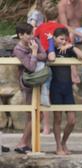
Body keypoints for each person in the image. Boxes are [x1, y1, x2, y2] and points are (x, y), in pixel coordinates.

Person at [47, 27, 82, 155]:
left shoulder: (68, 51)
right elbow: (51, 58)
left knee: (72, 120)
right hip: (56, 88)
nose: (63, 41)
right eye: (61, 39)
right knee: (57, 118)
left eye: (65, 39)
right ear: (55, 39)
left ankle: (64, 142)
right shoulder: (51, 50)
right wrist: (51, 43)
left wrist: (71, 46)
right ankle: (58, 146)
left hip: (67, 89)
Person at [13, 22, 48, 154]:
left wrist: (33, 55)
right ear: (21, 35)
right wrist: (33, 52)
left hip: (38, 81)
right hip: (27, 84)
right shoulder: (18, 49)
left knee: (37, 114)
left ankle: (25, 143)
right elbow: (31, 67)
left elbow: (44, 56)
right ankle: (22, 143)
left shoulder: (35, 40)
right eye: (28, 34)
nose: (32, 36)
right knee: (33, 114)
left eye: (32, 33)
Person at [34, 1, 65, 137]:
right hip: (59, 65)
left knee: (44, 95)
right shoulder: (61, 27)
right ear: (57, 15)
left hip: (44, 63)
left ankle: (46, 127)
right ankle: (56, 125)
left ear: (45, 16)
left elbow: (34, 39)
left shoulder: (40, 27)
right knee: (56, 96)